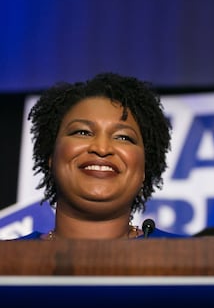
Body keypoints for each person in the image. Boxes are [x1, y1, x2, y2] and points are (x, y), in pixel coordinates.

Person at [20, 72, 183, 240]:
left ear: (144, 168)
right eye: (82, 132)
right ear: (51, 157)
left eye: (123, 137)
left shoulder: (192, 258)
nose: (102, 148)